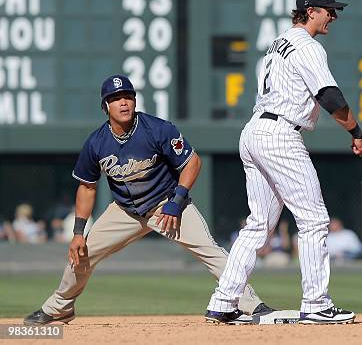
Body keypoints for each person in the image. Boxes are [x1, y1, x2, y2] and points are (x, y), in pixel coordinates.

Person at [23, 75, 272, 326]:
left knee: (209, 250)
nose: (123, 103)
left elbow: (192, 162)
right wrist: (78, 232)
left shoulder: (157, 129)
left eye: (128, 97)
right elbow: (87, 187)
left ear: (134, 101)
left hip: (167, 204)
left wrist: (177, 201)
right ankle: (59, 308)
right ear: (105, 106)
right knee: (81, 253)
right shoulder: (96, 143)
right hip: (125, 211)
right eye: (115, 99)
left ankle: (251, 304)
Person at [206, 0, 362, 325]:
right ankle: (316, 303)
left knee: (258, 224)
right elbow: (330, 96)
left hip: (254, 132)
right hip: (280, 134)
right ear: (310, 12)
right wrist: (354, 130)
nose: (333, 16)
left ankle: (223, 300)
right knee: (314, 220)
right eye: (328, 10)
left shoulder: (276, 45)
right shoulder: (307, 47)